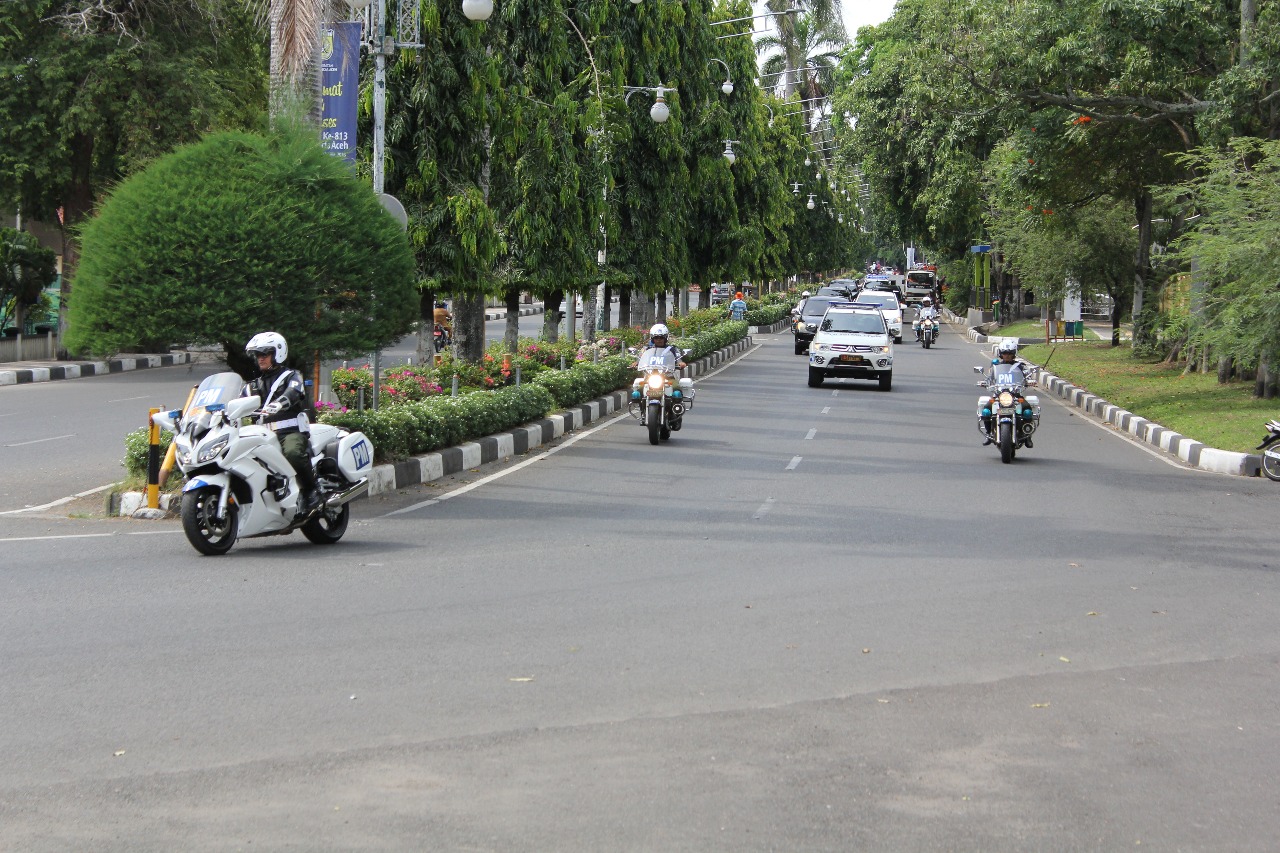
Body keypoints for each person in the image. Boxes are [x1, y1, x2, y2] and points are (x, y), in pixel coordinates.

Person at [243, 332, 319, 514]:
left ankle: (311, 491)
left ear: (277, 354)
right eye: (258, 355)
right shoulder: (253, 385)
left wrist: (280, 403)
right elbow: (238, 402)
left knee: (293, 454)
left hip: (289, 431)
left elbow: (294, 392)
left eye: (264, 354)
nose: (260, 359)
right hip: (262, 435)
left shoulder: (290, 376)